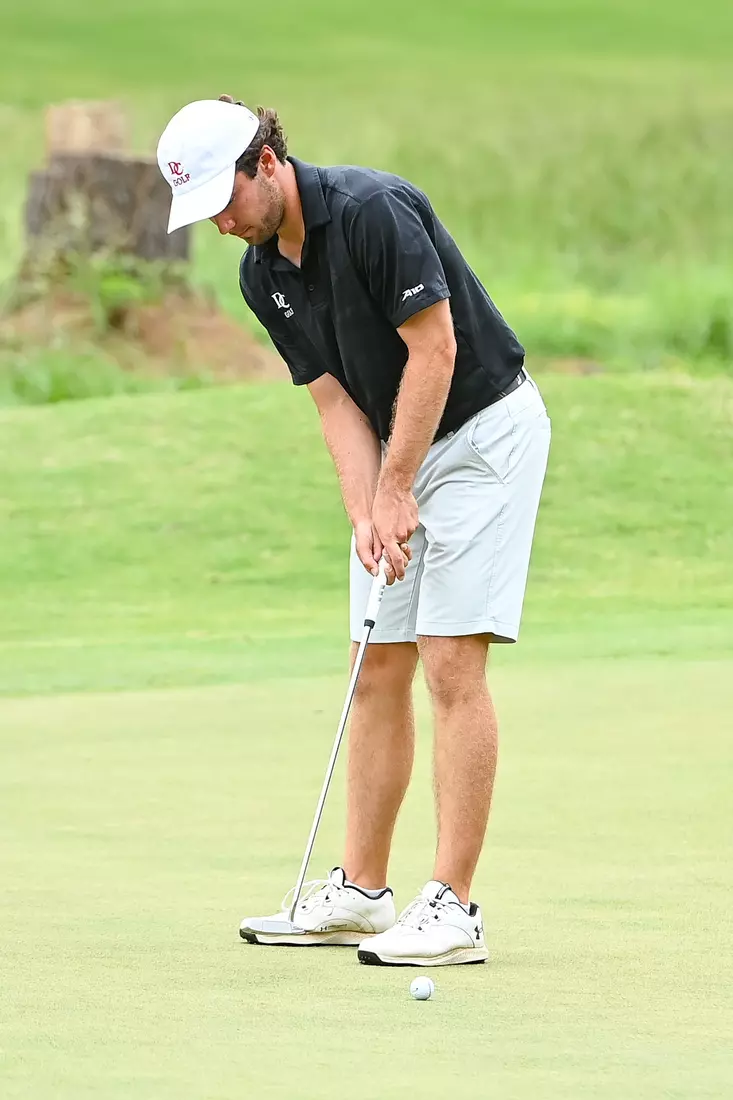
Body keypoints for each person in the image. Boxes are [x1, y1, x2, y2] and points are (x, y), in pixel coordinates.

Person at [157, 98, 551, 967]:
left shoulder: (371, 211)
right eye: (204, 214)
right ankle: (363, 892)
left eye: (225, 199)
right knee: (375, 660)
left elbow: (436, 350)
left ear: (265, 161)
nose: (221, 224)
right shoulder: (261, 274)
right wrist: (365, 509)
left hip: (482, 432)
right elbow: (334, 401)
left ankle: (452, 907)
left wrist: (399, 485)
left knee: (451, 657)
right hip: (400, 446)